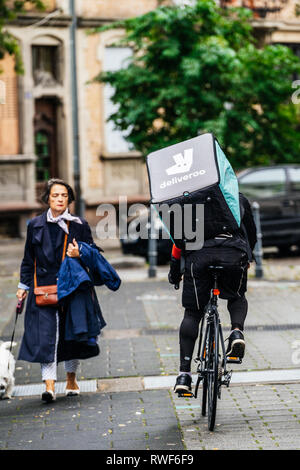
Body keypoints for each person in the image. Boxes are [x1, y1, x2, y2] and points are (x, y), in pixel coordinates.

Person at [16, 179, 106, 403]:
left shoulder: (79, 224)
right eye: (55, 195)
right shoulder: (35, 225)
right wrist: (23, 286)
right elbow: (28, 259)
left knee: (72, 334)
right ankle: (49, 385)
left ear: (69, 199)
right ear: (47, 198)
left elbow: (93, 253)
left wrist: (80, 254)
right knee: (46, 335)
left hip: (72, 288)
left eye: (64, 196)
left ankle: (71, 379)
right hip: (43, 289)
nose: (59, 199)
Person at [168, 192, 257, 395]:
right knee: (236, 296)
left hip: (199, 258)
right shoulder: (236, 197)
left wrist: (175, 273)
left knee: (192, 313)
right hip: (233, 254)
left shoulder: (187, 200)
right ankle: (236, 332)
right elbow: (250, 231)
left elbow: (178, 242)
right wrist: (247, 256)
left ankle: (184, 375)